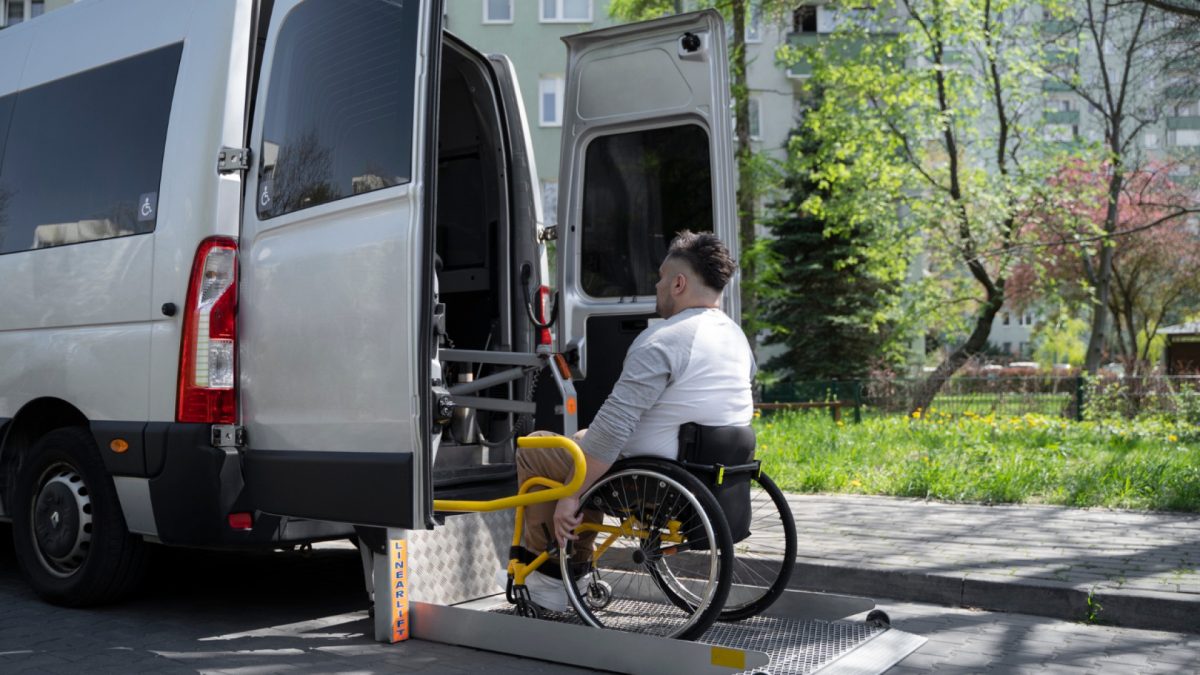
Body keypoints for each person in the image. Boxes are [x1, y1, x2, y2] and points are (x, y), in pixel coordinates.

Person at [511, 230, 755, 610]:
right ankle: (577, 560)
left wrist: (572, 497)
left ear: (679, 283)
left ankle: (553, 578)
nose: (656, 286)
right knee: (581, 439)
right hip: (708, 473)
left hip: (651, 482)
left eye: (660, 278)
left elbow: (612, 430)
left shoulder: (664, 339)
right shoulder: (735, 338)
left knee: (538, 448)